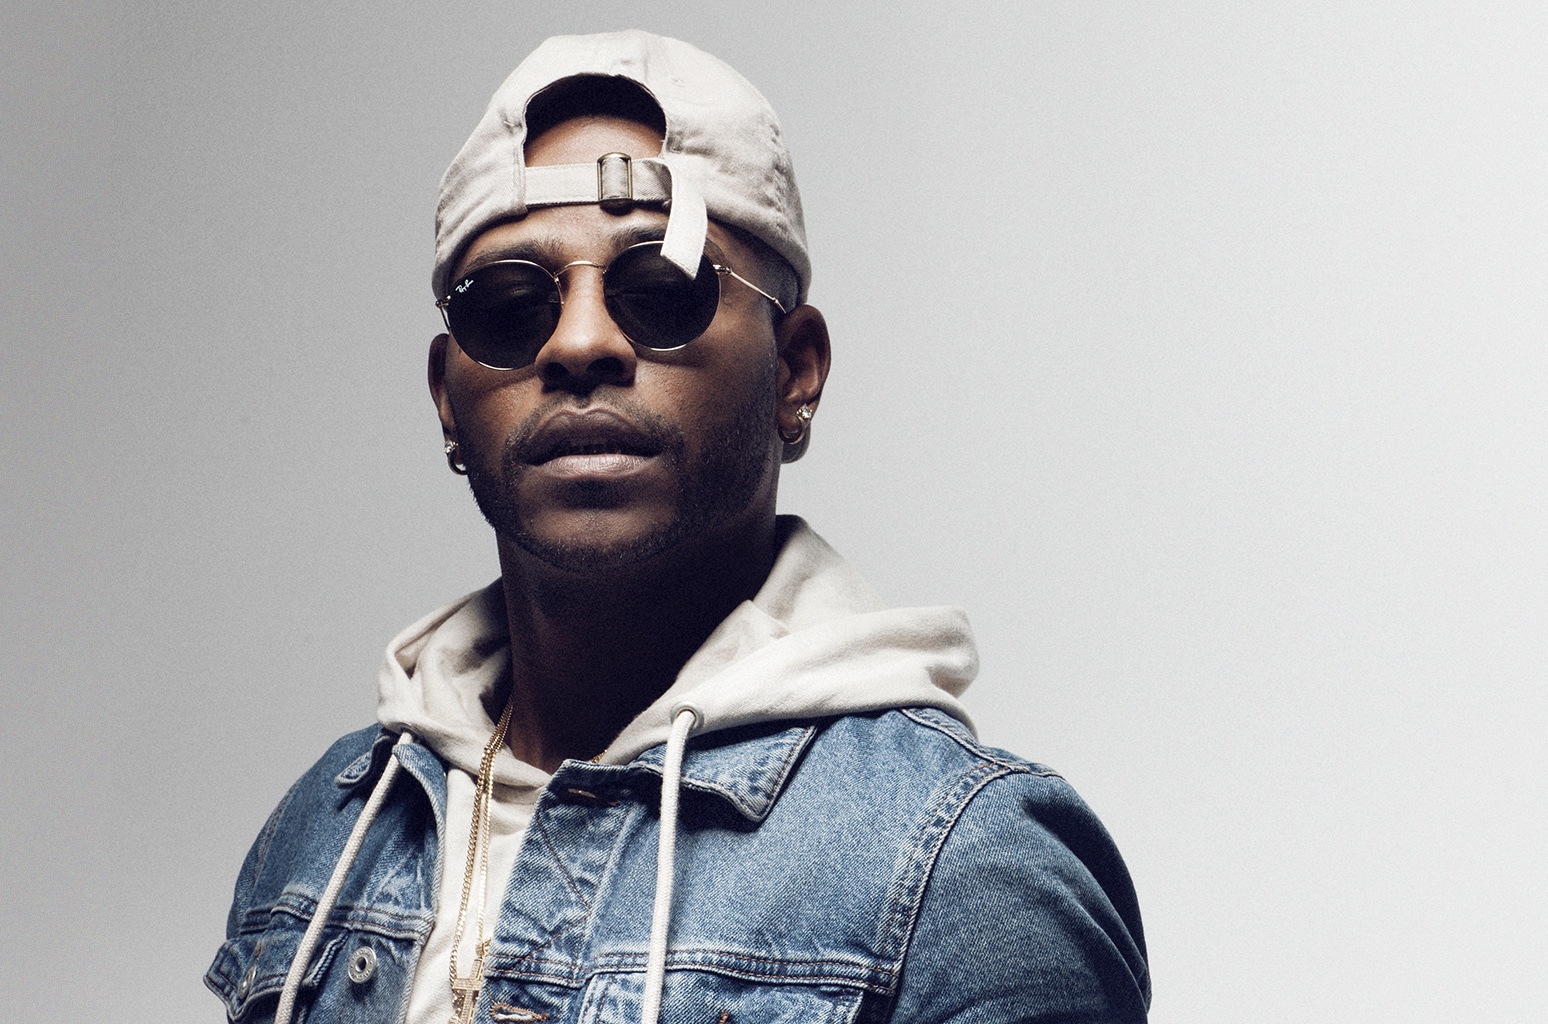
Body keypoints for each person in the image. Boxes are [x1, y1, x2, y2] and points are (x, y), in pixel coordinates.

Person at [206, 29, 1150, 1024]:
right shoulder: (324, 836)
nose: (578, 343)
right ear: (447, 398)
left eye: (662, 291)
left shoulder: (967, 873)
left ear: (794, 372)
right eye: (510, 308)